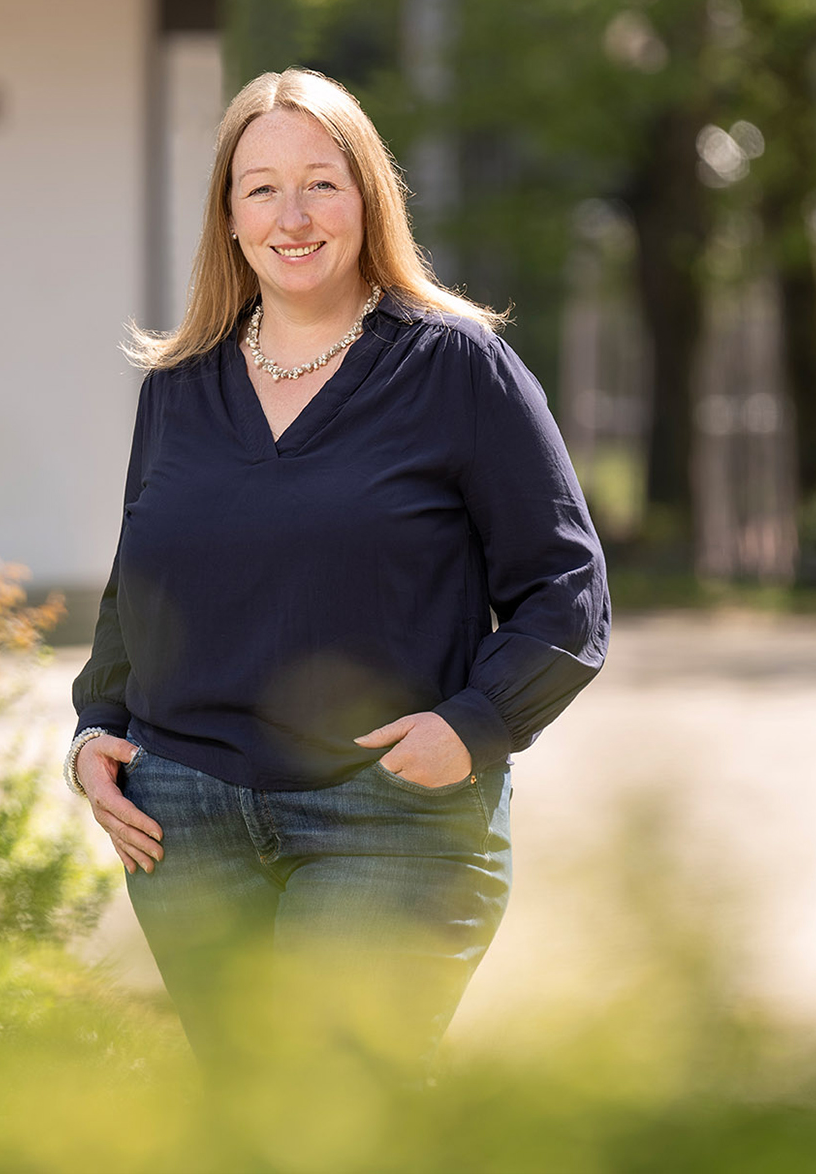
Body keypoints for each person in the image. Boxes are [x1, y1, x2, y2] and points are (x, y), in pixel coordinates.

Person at [64, 68, 610, 1088]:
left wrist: (477, 722)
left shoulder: (456, 366)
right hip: (186, 817)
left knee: (333, 1106)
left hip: (388, 808)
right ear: (227, 219)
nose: (293, 215)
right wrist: (95, 729)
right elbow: (137, 589)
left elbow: (564, 586)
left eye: (322, 182)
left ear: (368, 198)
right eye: (260, 188)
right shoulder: (180, 387)